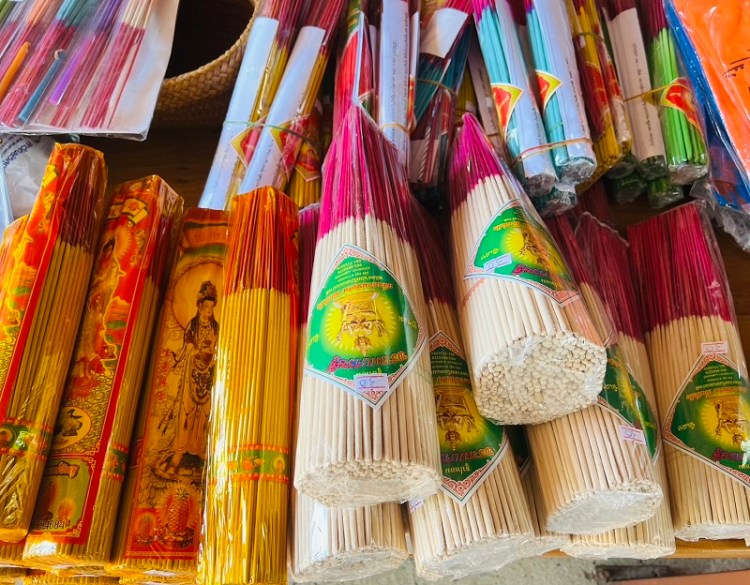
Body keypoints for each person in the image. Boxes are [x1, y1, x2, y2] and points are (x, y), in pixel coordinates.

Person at [163, 281, 219, 474]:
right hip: (192, 372)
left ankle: (198, 448)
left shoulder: (216, 327)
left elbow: (218, 347)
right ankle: (180, 450)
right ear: (199, 307)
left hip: (209, 372)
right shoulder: (193, 325)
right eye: (206, 307)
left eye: (211, 307)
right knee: (187, 410)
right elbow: (188, 347)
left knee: (204, 412)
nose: (208, 311)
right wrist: (198, 351)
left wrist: (212, 354)